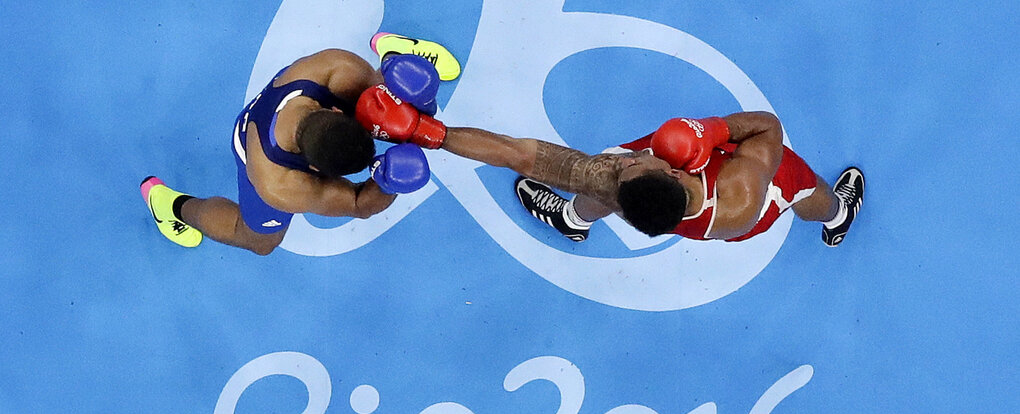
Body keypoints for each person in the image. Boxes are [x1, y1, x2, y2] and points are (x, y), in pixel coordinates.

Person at [354, 96, 864, 246]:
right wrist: (430, 134)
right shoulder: (736, 190)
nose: (623, 160)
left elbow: (770, 132)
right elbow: (768, 129)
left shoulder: (738, 192)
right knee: (809, 192)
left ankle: (835, 214)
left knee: (806, 193)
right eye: (627, 168)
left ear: (673, 172)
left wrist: (713, 131)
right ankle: (836, 212)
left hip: (740, 189)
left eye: (628, 164)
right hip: (735, 183)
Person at [141, 36, 461, 255]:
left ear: (337, 111)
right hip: (250, 145)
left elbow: (381, 98)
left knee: (393, 94)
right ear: (315, 170)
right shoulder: (279, 186)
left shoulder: (334, 69)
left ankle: (395, 54)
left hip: (289, 110)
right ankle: (170, 206)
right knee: (257, 240)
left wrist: (420, 95)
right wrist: (390, 184)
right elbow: (358, 203)